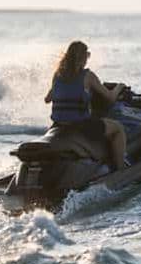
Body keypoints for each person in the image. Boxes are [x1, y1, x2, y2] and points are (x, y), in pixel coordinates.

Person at [44, 41, 128, 171]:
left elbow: (47, 99)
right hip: (80, 126)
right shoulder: (88, 76)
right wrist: (119, 87)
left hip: (59, 125)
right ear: (83, 58)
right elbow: (110, 98)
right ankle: (121, 169)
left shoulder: (57, 75)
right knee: (117, 129)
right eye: (87, 55)